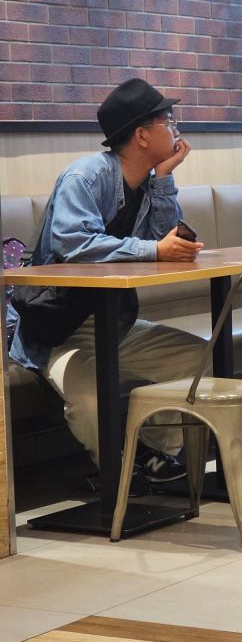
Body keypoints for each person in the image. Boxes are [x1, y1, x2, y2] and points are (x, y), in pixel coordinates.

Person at [9, 78, 207, 493]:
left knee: (198, 356)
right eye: (169, 122)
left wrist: (163, 178)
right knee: (90, 401)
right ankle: (117, 474)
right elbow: (74, 244)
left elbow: (163, 240)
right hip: (55, 333)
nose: (177, 129)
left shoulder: (148, 182)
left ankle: (152, 452)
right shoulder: (84, 177)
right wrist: (154, 250)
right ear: (141, 136)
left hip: (113, 325)